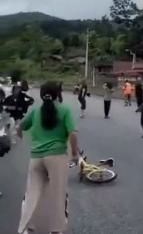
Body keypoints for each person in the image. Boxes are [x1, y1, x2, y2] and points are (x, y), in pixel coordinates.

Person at [16, 81, 79, 234]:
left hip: (36, 158)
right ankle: (56, 230)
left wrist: (21, 137)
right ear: (58, 94)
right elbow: (73, 133)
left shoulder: (36, 111)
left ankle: (25, 228)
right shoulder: (64, 110)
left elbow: (20, 126)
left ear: (41, 94)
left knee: (32, 194)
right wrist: (75, 154)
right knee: (58, 194)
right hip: (57, 157)